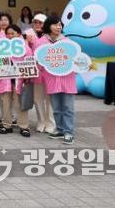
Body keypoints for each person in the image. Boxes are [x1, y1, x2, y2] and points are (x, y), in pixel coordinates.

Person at [38, 16, 77, 144]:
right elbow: (38, 60)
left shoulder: (68, 42)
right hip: (52, 80)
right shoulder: (41, 42)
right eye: (55, 24)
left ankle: (68, 132)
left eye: (60, 25)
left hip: (67, 80)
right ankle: (60, 129)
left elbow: (75, 59)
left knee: (68, 107)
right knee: (56, 107)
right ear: (48, 26)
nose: (58, 27)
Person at [0, 25, 33, 137]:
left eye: (12, 33)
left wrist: (26, 76)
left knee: (20, 104)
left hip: (20, 80)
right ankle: (6, 125)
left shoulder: (25, 47)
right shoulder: (2, 47)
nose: (10, 36)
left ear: (18, 34)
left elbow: (29, 62)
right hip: (5, 80)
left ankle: (24, 126)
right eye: (8, 34)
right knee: (5, 103)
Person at [29, 13, 56, 133]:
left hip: (50, 73)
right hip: (36, 73)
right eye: (35, 22)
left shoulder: (52, 37)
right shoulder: (28, 35)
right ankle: (41, 121)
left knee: (50, 99)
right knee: (37, 98)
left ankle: (50, 123)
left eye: (40, 22)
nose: (37, 24)